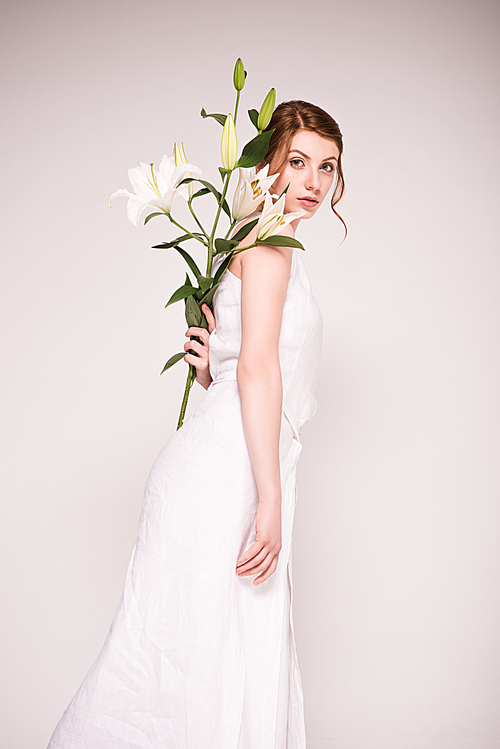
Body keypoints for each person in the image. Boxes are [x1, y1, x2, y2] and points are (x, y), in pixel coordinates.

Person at [47, 100, 346, 749]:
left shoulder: (250, 240)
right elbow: (261, 370)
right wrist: (267, 497)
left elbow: (246, 368)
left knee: (199, 659)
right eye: (298, 161)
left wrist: (213, 373)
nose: (315, 182)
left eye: (327, 166)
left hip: (223, 461)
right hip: (231, 477)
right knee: (203, 660)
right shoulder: (268, 246)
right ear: (265, 160)